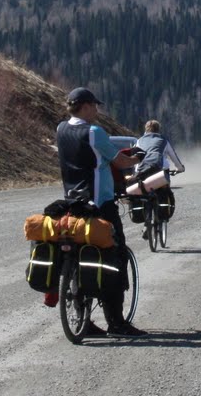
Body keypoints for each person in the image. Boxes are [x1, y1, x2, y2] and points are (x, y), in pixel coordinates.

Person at [55, 87, 147, 337]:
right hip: (99, 205)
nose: (96, 110)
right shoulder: (94, 132)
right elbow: (121, 162)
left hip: (72, 203)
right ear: (85, 106)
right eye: (94, 105)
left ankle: (83, 320)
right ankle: (116, 322)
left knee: (79, 257)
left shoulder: (61, 129)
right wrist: (138, 158)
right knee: (114, 259)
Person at [130, 118, 185, 245]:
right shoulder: (163, 140)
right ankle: (162, 216)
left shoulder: (139, 141)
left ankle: (147, 223)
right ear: (158, 129)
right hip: (159, 172)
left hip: (141, 173)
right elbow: (173, 156)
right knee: (164, 193)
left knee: (144, 196)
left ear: (146, 130)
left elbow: (134, 159)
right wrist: (180, 168)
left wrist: (135, 174)